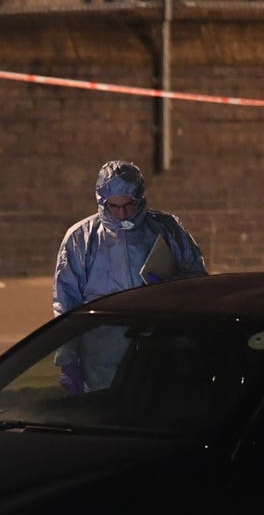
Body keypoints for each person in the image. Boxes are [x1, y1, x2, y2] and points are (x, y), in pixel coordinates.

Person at [53, 159, 207, 393]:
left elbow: (198, 278)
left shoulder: (167, 228)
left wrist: (171, 285)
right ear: (101, 202)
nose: (122, 213)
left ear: (141, 199)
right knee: (109, 415)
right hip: (102, 351)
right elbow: (66, 302)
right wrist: (67, 359)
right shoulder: (81, 238)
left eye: (129, 205)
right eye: (114, 207)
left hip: (161, 345)